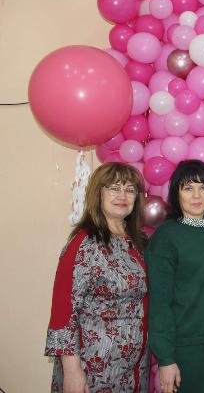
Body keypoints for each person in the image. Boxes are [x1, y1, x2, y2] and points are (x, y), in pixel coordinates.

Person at [45, 162, 149, 392]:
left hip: (133, 368)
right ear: (98, 193)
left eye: (129, 189)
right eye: (114, 188)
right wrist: (72, 371)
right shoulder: (84, 244)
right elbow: (64, 311)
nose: (122, 195)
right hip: (93, 368)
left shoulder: (139, 242)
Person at [146, 160, 204, 393]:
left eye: (203, 187)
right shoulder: (166, 237)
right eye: (188, 188)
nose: (196, 195)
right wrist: (166, 358)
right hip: (185, 350)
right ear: (177, 194)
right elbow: (159, 303)